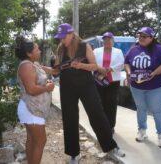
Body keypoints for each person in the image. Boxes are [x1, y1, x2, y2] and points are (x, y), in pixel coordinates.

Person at [51, 23, 125, 163]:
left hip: (86, 85)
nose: (62, 40)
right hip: (67, 87)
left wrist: (81, 65)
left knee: (97, 114)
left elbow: (94, 66)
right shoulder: (61, 49)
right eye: (60, 37)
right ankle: (74, 154)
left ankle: (110, 146)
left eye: (63, 37)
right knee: (69, 118)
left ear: (71, 34)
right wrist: (46, 68)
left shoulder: (84, 46)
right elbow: (56, 69)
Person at [124, 27, 161, 148]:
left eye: (144, 36)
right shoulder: (134, 49)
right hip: (137, 86)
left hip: (157, 86)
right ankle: (142, 131)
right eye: (140, 36)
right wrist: (129, 73)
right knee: (141, 108)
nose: (141, 38)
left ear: (151, 38)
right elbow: (127, 62)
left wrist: (154, 73)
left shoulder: (158, 49)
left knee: (157, 110)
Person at [15, 36, 55, 164]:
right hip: (31, 109)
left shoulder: (33, 64)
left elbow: (52, 72)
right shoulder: (26, 66)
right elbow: (31, 89)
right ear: (29, 53)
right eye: (37, 49)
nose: (40, 51)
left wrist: (46, 82)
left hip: (33, 109)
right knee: (40, 141)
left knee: (32, 140)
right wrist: (47, 87)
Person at [93, 32, 125, 133]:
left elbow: (121, 64)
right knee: (99, 103)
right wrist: (100, 69)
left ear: (113, 41)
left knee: (111, 104)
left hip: (113, 81)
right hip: (99, 80)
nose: (107, 41)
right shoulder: (96, 51)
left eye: (109, 39)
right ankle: (101, 125)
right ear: (103, 41)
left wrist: (110, 69)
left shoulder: (118, 51)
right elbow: (92, 63)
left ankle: (110, 126)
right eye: (105, 40)